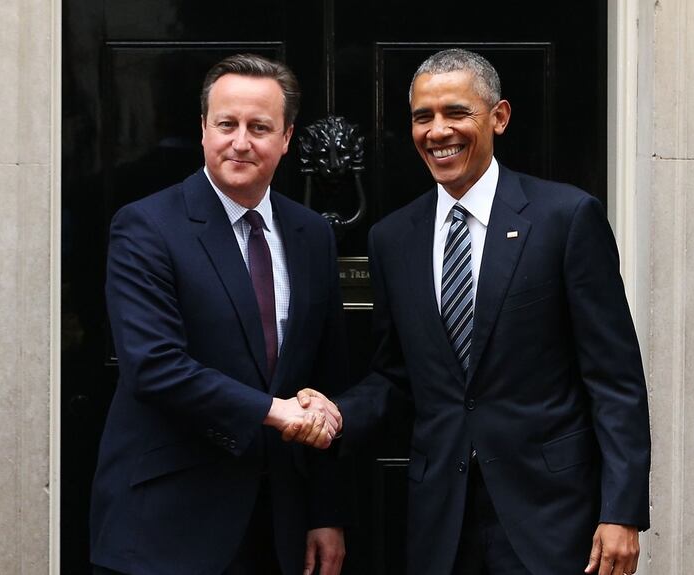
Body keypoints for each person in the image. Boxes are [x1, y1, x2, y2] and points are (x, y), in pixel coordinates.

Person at [293, 48, 651, 575]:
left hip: (551, 515)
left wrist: (621, 511)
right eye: (423, 117)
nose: (438, 131)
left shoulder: (566, 218)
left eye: (456, 113)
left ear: (498, 117)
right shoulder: (392, 238)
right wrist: (336, 413)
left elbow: (615, 379)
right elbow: (396, 376)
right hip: (441, 519)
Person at [90, 53, 347, 575]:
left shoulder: (311, 235)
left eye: (260, 127)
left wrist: (325, 513)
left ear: (287, 137)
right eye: (227, 124)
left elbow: (325, 376)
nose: (241, 142)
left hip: (277, 527)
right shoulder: (146, 227)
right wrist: (274, 412)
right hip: (167, 525)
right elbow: (155, 366)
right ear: (204, 129)